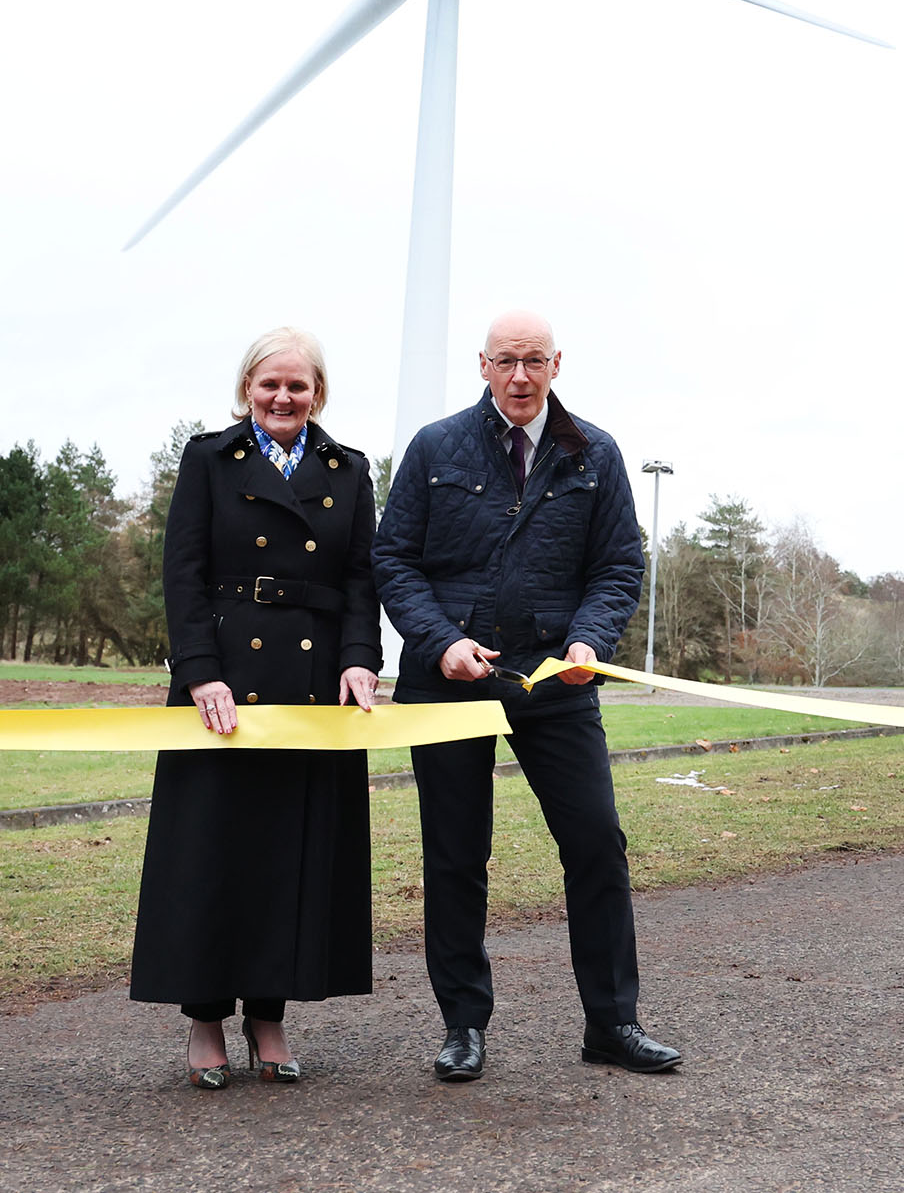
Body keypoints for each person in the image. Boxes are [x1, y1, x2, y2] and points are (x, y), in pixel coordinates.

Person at [373, 310, 681, 1081]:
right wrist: (440, 642)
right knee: (455, 855)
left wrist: (590, 642)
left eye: (534, 361)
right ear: (482, 364)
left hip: (555, 682)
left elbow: (618, 566)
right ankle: (463, 1028)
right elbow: (394, 559)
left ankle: (613, 1024)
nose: (520, 375)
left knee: (596, 844)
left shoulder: (595, 454)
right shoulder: (434, 447)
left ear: (556, 365)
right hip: (446, 685)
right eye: (506, 360)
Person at [130, 328, 383, 1089]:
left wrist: (360, 659)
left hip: (314, 695)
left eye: (298, 387)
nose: (282, 398)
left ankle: (268, 1013)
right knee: (211, 853)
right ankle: (205, 1019)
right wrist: (200, 669)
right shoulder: (209, 459)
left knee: (290, 855)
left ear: (319, 394)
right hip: (222, 689)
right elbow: (184, 570)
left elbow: (362, 580)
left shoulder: (350, 470)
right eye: (269, 384)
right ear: (247, 387)